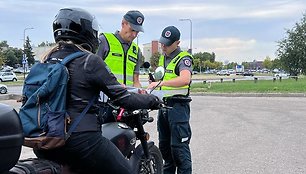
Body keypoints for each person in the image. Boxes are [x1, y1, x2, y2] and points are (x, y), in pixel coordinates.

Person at [34, 8, 161, 174]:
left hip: (45, 140)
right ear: (86, 32)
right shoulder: (89, 61)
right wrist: (154, 101)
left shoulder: (46, 61)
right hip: (80, 139)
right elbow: (125, 100)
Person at [147, 26, 193, 174]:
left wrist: (161, 83)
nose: (163, 46)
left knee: (179, 151)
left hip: (178, 108)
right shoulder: (163, 58)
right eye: (162, 43)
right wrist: (154, 81)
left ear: (177, 43)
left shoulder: (183, 58)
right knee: (165, 150)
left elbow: (185, 79)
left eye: (167, 44)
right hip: (164, 108)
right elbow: (163, 78)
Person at [96, 10, 144, 88]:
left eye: (137, 32)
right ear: (123, 24)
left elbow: (136, 80)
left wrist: (140, 93)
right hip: (107, 96)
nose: (134, 35)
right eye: (132, 30)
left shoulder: (136, 50)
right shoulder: (105, 41)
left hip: (128, 98)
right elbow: (93, 71)